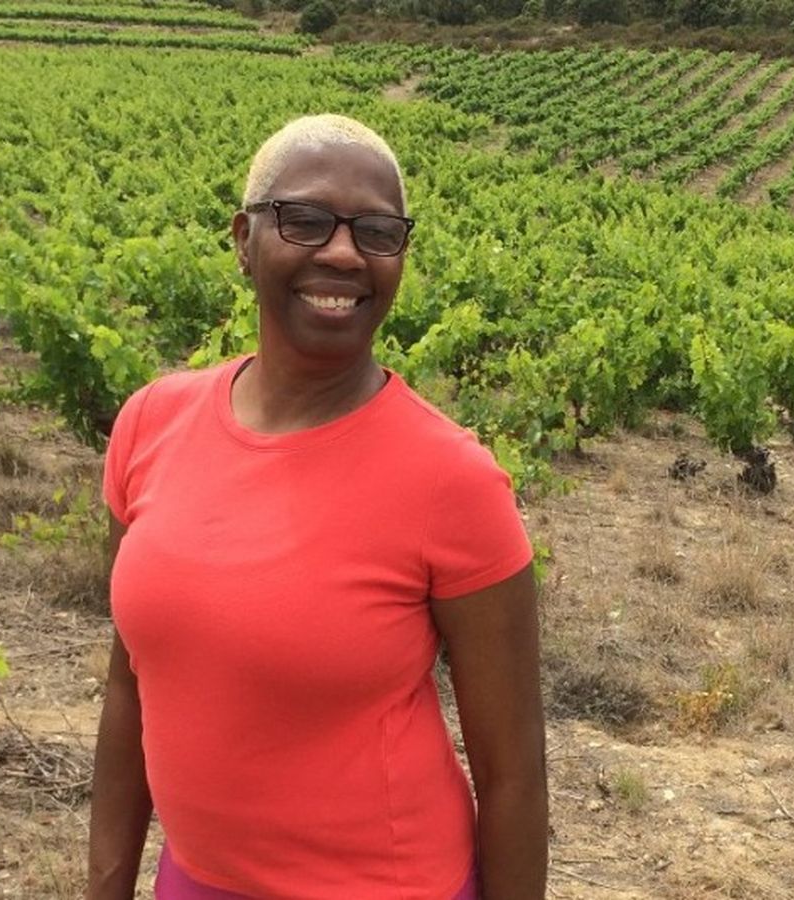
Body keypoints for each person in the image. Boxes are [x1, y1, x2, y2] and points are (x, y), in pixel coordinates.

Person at [85, 114, 548, 900]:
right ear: (244, 239)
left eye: (377, 231)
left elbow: (513, 777)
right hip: (196, 881)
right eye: (303, 219)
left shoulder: (453, 481)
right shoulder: (150, 424)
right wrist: (105, 887)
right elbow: (132, 682)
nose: (343, 252)